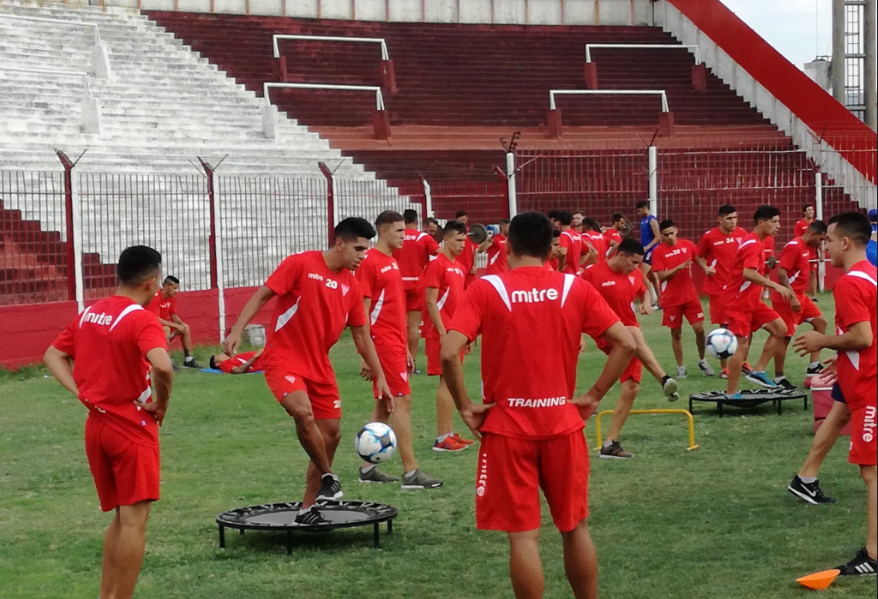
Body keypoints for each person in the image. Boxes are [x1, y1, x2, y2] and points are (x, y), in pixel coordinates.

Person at [440, 211, 636, 599]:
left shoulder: (486, 287)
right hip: (561, 423)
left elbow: (449, 353)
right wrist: (594, 395)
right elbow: (626, 343)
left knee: (523, 537)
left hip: (507, 425)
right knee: (575, 527)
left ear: (508, 245)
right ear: (551, 249)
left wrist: (465, 407)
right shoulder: (572, 287)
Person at [222, 218, 391, 525]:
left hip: (320, 367)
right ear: (339, 243)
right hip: (283, 359)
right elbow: (263, 295)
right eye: (358, 249)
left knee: (332, 435)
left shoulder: (352, 286)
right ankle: (329, 475)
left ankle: (307, 509)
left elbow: (362, 335)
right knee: (303, 413)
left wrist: (380, 375)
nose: (362, 256)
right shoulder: (301, 264)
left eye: (366, 251)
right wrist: (236, 331)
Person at [43, 246, 174, 599]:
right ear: (150, 282)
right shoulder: (141, 318)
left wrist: (79, 391)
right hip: (130, 427)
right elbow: (162, 365)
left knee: (120, 517)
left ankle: (107, 596)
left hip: (97, 426)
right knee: (135, 521)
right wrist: (161, 403)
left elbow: (53, 354)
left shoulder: (91, 313)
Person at [792, 212, 876, 577]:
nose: (823, 247)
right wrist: (840, 356)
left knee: (872, 472)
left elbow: (863, 337)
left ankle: (873, 557)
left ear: (845, 242)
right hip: (863, 378)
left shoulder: (849, 283)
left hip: (870, 386)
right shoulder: (871, 274)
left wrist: (822, 339)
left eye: (827, 240)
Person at [355, 211, 443, 489]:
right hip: (381, 344)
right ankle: (411, 473)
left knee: (384, 404)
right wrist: (366, 355)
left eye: (404, 231)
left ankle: (367, 468)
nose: (405, 236)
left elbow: (395, 310)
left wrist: (405, 346)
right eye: (399, 232)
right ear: (383, 231)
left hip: (394, 344)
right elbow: (362, 313)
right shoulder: (370, 263)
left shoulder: (391, 262)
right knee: (401, 402)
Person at [582, 238, 680, 459]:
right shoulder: (592, 274)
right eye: (634, 262)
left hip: (629, 338)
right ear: (621, 255)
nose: (636, 268)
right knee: (632, 334)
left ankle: (610, 444)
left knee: (631, 388)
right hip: (606, 333)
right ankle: (664, 378)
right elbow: (576, 302)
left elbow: (643, 290)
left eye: (639, 263)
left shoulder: (633, 274)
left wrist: (646, 301)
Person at [724, 206, 795, 398]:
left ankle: (758, 370)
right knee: (742, 346)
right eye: (774, 221)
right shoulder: (753, 243)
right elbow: (748, 273)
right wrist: (775, 286)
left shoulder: (758, 242)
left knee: (781, 329)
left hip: (752, 301)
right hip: (739, 302)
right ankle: (731, 392)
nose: (778, 226)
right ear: (761, 222)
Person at [424, 220, 471, 452]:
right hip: (440, 333)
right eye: (458, 240)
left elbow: (459, 303)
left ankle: (450, 433)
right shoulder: (437, 265)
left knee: (453, 381)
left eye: (465, 240)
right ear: (446, 239)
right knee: (445, 380)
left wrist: (465, 333)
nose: (463, 244)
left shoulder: (459, 267)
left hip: (455, 333)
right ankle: (442, 437)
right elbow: (430, 301)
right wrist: (443, 332)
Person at [769, 221, 829, 388]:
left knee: (821, 323)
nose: (821, 242)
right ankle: (779, 378)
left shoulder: (805, 247)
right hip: (787, 299)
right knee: (784, 337)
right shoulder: (794, 246)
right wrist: (793, 297)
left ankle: (813, 367)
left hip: (801, 297)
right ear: (813, 234)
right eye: (821, 238)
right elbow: (781, 273)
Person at [652, 220, 713, 378]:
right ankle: (681, 367)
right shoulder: (658, 252)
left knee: (699, 329)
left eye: (672, 233)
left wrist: (705, 268)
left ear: (676, 230)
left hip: (690, 296)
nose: (670, 237)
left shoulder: (687, 245)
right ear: (661, 236)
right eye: (666, 235)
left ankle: (702, 360)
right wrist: (678, 268)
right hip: (671, 299)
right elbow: (660, 276)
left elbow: (697, 257)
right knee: (676, 334)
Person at [694, 205, 748, 378]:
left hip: (738, 287)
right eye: (729, 219)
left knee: (743, 325)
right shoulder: (710, 237)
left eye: (735, 218)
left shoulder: (742, 234)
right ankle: (725, 367)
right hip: (718, 288)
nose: (733, 222)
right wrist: (705, 267)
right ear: (720, 220)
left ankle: (742, 360)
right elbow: (697, 255)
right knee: (725, 327)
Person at [393, 209, 441, 372]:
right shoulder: (423, 237)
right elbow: (439, 253)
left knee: (398, 324)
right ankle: (411, 362)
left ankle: (397, 360)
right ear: (416, 221)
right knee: (413, 326)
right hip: (417, 284)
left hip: (397, 283)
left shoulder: (397, 237)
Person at [147, 276, 201, 369]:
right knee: (166, 329)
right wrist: (175, 325)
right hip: (151, 329)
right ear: (166, 286)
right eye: (174, 288)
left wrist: (180, 324)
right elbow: (155, 319)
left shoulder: (171, 299)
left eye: (177, 288)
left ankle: (188, 359)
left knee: (185, 327)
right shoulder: (155, 297)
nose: (176, 291)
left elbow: (174, 315)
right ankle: (167, 360)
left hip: (162, 328)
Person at [635, 200, 662, 307]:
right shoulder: (643, 220)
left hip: (651, 251)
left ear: (644, 208)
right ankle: (661, 302)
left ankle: (650, 301)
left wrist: (648, 247)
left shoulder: (652, 220)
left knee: (641, 274)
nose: (638, 213)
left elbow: (658, 237)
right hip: (646, 250)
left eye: (639, 211)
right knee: (653, 277)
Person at [793, 204, 820, 301]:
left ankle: (814, 296)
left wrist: (822, 254)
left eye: (812, 209)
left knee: (813, 273)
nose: (811, 211)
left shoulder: (816, 224)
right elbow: (797, 238)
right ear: (804, 212)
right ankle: (800, 294)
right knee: (802, 273)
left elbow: (820, 240)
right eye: (808, 210)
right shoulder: (799, 224)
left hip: (812, 253)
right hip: (803, 253)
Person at [455, 210, 479, 288]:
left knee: (471, 291)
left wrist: (474, 265)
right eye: (462, 220)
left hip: (469, 269)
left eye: (465, 220)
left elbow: (475, 250)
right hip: (458, 268)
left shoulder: (471, 233)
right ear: (457, 219)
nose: (463, 222)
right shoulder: (453, 233)